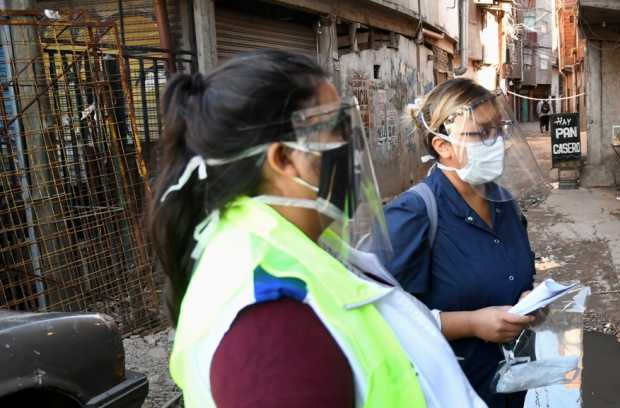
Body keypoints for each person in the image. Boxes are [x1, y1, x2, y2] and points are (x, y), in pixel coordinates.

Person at [148, 50, 485, 408]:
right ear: (284, 159)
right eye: (339, 131)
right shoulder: (269, 320)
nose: (355, 148)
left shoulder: (298, 250)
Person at [384, 78, 550, 407]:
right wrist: (471, 324)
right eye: (482, 133)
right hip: (448, 394)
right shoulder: (413, 214)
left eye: (499, 130)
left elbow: (514, 278)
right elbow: (385, 319)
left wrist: (531, 303)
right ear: (441, 145)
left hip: (507, 389)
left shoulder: (504, 203)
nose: (498, 143)